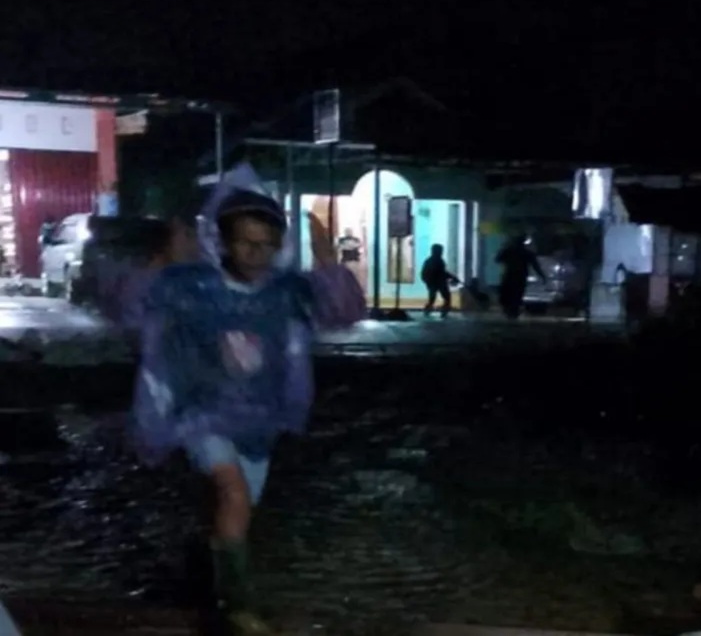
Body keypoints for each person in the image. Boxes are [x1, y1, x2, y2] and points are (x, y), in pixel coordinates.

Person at [103, 186, 365, 635]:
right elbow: (126, 306)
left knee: (236, 511)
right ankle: (240, 607)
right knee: (234, 494)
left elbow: (344, 310)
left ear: (280, 246)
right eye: (246, 242)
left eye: (267, 244)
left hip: (259, 422)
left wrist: (327, 260)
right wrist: (166, 258)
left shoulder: (285, 292)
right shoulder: (192, 284)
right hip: (201, 414)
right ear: (223, 241)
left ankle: (212, 583)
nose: (256, 253)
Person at [495, 235, 545, 319]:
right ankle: (513, 311)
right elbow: (536, 266)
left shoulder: (509, 250)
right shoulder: (527, 253)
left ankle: (510, 311)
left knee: (507, 295)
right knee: (516, 296)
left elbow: (497, 259)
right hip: (520, 277)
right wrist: (542, 276)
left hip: (510, 276)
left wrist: (504, 248)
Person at [420, 243, 459, 317]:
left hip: (434, 283)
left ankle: (429, 312)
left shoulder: (431, 261)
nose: (441, 252)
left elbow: (440, 272)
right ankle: (442, 313)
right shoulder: (437, 261)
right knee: (445, 298)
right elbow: (441, 272)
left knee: (434, 299)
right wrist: (451, 277)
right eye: (440, 251)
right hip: (437, 283)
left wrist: (451, 277)